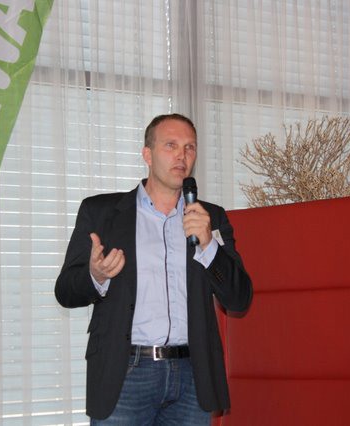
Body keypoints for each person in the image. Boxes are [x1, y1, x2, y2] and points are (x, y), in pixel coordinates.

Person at [55, 113, 253, 425]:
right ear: (147, 154)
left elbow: (239, 298)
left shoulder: (210, 218)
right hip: (126, 373)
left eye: (189, 147)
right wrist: (96, 275)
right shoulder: (102, 212)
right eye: (170, 145)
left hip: (192, 375)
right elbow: (65, 290)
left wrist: (208, 246)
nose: (181, 156)